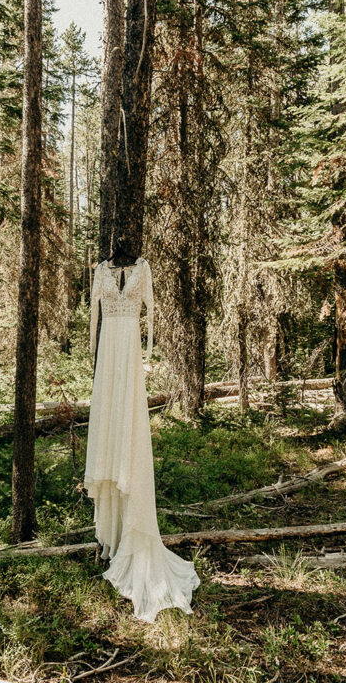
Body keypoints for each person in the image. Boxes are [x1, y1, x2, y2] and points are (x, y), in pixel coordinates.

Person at [87, 248, 200, 622]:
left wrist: (147, 354)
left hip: (129, 355)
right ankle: (112, 536)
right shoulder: (100, 270)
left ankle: (132, 531)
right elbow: (93, 319)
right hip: (108, 359)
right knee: (109, 429)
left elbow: (151, 318)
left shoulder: (144, 269)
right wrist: (94, 349)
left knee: (129, 431)